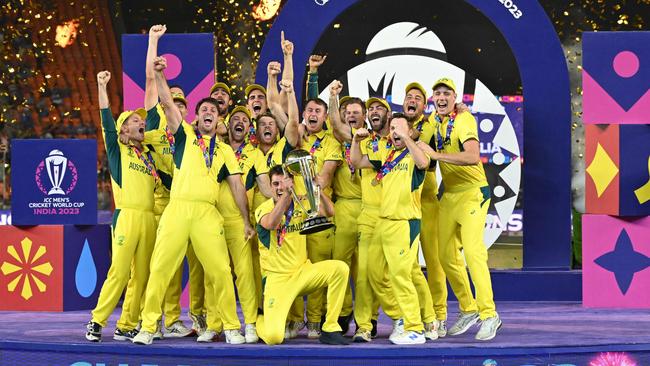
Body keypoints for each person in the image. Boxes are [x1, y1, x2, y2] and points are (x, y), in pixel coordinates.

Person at [132, 56, 251, 345]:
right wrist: (160, 75)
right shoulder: (184, 135)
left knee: (221, 270)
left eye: (213, 109)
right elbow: (168, 104)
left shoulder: (223, 151)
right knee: (160, 267)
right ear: (196, 119)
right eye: (204, 109)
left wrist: (247, 220)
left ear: (218, 119)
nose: (209, 112)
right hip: (178, 209)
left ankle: (232, 326)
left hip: (208, 214)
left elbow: (236, 186)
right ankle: (148, 327)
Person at [420, 77, 501, 341]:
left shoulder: (464, 120)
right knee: (445, 256)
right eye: (437, 93)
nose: (441, 97)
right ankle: (469, 309)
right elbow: (416, 139)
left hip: (473, 193)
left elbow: (472, 156)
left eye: (446, 93)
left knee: (474, 253)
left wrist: (436, 155)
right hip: (450, 196)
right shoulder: (434, 120)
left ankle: (490, 314)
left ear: (455, 98)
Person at [85, 71, 156, 342]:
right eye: (135, 120)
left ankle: (127, 324)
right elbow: (105, 119)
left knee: (142, 276)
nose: (141, 122)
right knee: (119, 271)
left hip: (149, 218)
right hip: (126, 215)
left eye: (142, 120)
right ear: (124, 129)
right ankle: (96, 320)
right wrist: (102, 85)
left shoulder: (149, 157)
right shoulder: (118, 150)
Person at [350, 113, 431, 345]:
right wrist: (356, 141)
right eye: (392, 128)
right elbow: (357, 162)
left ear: (409, 131)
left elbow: (424, 163)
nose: (395, 132)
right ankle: (401, 316)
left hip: (405, 223)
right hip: (383, 222)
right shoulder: (387, 155)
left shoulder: (416, 152)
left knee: (401, 276)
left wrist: (408, 139)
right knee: (375, 274)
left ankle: (415, 327)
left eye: (400, 128)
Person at [197, 106, 272, 343]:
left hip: (240, 222)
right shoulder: (213, 148)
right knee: (214, 275)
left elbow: (266, 187)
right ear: (227, 125)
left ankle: (250, 323)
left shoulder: (256, 154)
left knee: (245, 274)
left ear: (249, 128)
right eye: (235, 119)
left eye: (245, 120)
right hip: (211, 220)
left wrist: (287, 195)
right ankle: (214, 324)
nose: (240, 122)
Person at [255, 165, 349, 345]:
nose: (280, 188)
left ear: (292, 183)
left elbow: (330, 212)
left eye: (284, 183)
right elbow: (273, 223)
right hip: (278, 279)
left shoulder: (300, 203)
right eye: (275, 184)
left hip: (302, 274)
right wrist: (288, 195)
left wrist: (317, 190)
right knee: (274, 337)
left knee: (340, 269)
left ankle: (330, 327)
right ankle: (260, 319)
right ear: (270, 186)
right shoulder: (263, 209)